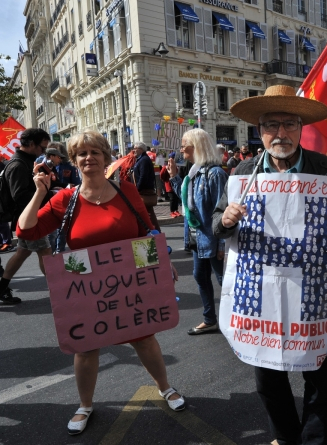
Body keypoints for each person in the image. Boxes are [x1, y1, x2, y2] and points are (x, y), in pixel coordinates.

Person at [212, 84, 327, 445]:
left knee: (317, 377)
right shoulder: (243, 172)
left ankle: (314, 440)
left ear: (301, 128)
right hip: (260, 292)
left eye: (289, 124)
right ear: (260, 130)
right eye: (271, 125)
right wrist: (227, 220)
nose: (280, 133)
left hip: (312, 291)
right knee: (267, 378)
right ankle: (285, 436)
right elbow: (215, 224)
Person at [16, 130, 186, 435]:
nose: (88, 158)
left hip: (130, 284)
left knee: (144, 338)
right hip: (86, 286)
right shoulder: (64, 199)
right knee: (86, 347)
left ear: (106, 157)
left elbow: (148, 231)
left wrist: (164, 262)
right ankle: (85, 405)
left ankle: (165, 387)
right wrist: (40, 192)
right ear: (74, 161)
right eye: (81, 153)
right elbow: (26, 232)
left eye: (94, 152)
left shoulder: (126, 192)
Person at [167, 129, 228, 335]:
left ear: (197, 146)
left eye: (185, 144)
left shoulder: (215, 173)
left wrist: (221, 245)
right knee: (200, 277)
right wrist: (175, 177)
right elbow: (187, 202)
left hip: (212, 238)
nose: (181, 148)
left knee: (224, 282)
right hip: (197, 237)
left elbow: (223, 210)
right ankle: (210, 319)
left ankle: (242, 320)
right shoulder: (193, 172)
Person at [0, 128, 52, 304]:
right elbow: (20, 195)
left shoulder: (24, 162)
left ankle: (2, 287)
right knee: (45, 251)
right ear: (31, 144)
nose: (43, 152)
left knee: (22, 252)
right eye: (42, 148)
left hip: (27, 218)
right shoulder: (17, 165)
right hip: (28, 219)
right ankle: (60, 288)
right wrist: (46, 193)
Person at [131, 142, 161, 232]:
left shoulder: (144, 160)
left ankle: (156, 232)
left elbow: (143, 176)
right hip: (143, 189)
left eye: (135, 148)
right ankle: (151, 230)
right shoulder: (140, 159)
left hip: (144, 190)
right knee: (147, 213)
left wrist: (138, 188)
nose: (134, 150)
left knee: (148, 213)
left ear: (141, 149)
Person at [160, 152, 181, 218]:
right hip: (169, 185)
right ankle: (172, 211)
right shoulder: (165, 166)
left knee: (176, 198)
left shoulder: (176, 165)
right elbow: (162, 175)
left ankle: (176, 210)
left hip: (175, 184)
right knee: (172, 198)